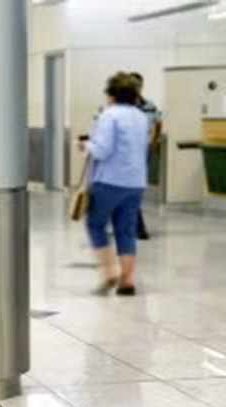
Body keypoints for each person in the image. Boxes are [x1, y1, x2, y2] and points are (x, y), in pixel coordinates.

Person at [80, 72, 149, 297]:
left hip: (109, 181)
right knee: (126, 230)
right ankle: (127, 281)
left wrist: (85, 146)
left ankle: (109, 271)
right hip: (136, 182)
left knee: (95, 224)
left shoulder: (109, 116)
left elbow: (103, 149)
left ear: (111, 94)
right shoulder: (141, 116)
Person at [131, 72, 162, 241]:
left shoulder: (149, 106)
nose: (136, 88)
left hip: (143, 155)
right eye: (133, 85)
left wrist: (153, 142)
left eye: (139, 85)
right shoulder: (121, 107)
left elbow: (157, 123)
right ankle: (138, 227)